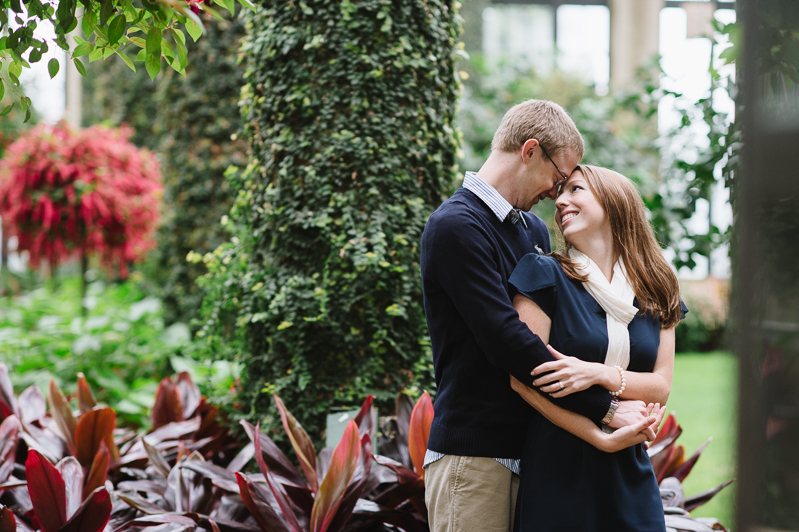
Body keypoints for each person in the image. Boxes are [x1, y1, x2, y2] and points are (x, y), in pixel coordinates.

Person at [420, 100, 662, 532]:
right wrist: (606, 408)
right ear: (530, 150)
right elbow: (507, 340)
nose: (557, 192)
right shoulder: (455, 226)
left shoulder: (529, 230)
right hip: (477, 455)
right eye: (558, 175)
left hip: (536, 453)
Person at [508, 165, 686, 532]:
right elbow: (522, 378)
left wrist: (597, 373)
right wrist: (601, 430)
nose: (560, 201)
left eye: (575, 189)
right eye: (559, 193)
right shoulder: (543, 273)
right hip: (559, 462)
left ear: (613, 201)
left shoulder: (658, 288)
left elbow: (660, 386)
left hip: (630, 464)